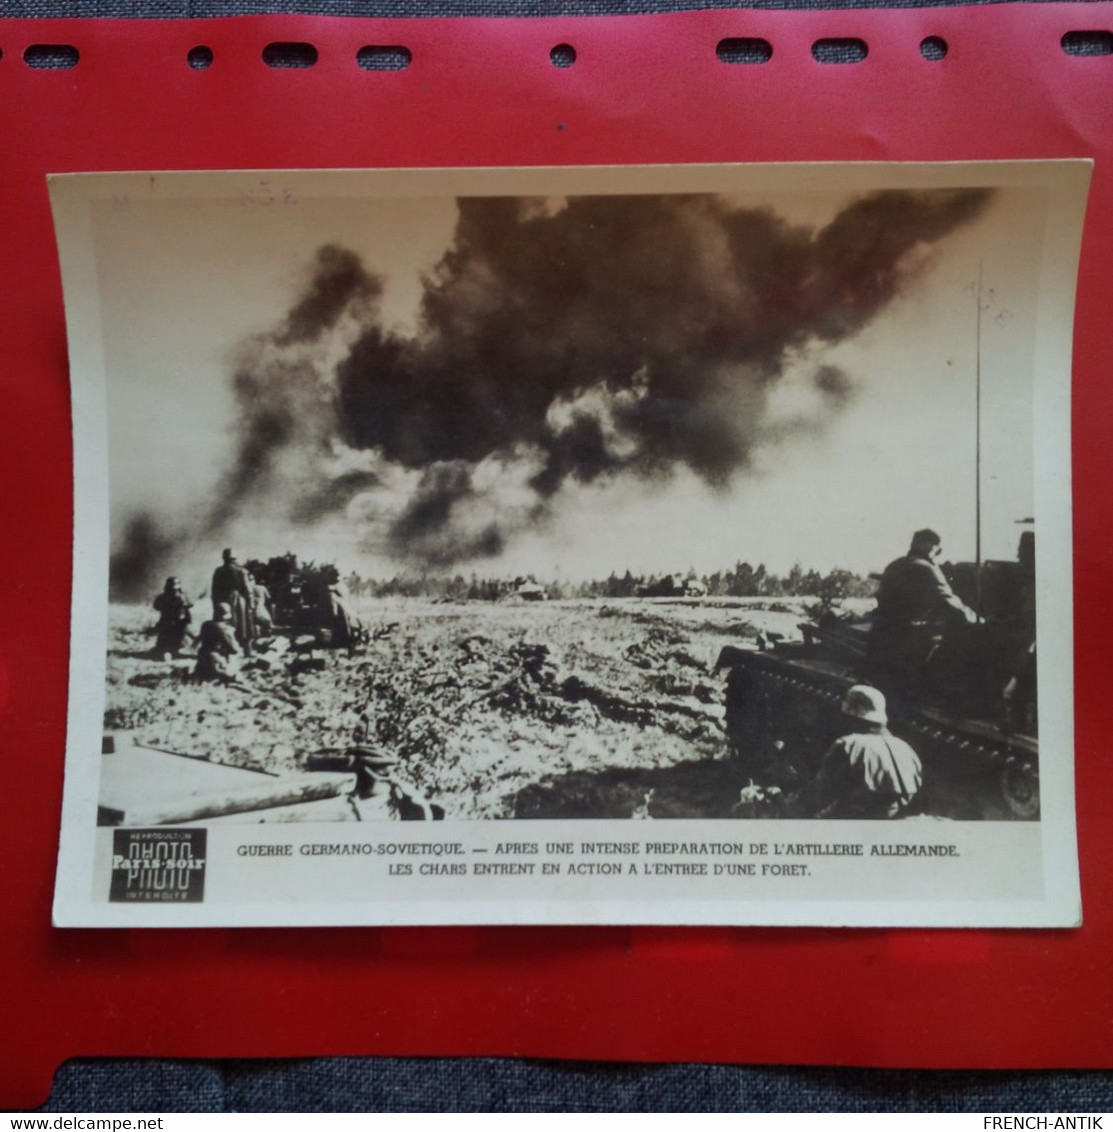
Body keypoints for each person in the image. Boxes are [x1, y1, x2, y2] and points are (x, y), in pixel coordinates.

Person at [866, 528, 977, 704]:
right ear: (932, 547)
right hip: (907, 645)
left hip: (881, 638)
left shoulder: (895, 565)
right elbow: (949, 603)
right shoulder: (925, 568)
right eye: (937, 550)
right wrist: (977, 620)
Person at [801, 684, 922, 819]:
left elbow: (819, 793)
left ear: (852, 717)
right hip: (893, 819)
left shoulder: (848, 745)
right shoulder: (906, 748)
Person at [210, 548, 254, 654]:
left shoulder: (218, 571)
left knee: (224, 625)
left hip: (222, 601)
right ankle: (247, 650)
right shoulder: (241, 571)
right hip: (238, 601)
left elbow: (214, 590)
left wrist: (215, 604)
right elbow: (247, 589)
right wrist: (251, 604)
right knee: (244, 626)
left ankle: (226, 649)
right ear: (235, 559)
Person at [193, 602, 240, 683]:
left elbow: (196, 642)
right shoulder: (222, 628)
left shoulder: (205, 624)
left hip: (202, 661)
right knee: (233, 668)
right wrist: (231, 636)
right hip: (215, 662)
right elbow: (234, 650)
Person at [151, 576, 192, 659]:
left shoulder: (182, 597)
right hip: (167, 622)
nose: (174, 592)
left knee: (179, 639)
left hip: (179, 624)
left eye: (175, 590)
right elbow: (157, 606)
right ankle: (166, 650)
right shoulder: (163, 597)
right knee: (165, 641)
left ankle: (171, 650)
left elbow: (187, 608)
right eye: (172, 590)